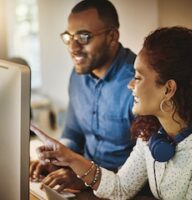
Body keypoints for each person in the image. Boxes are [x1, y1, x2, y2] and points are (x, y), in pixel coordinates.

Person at [31, 26, 192, 200]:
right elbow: (120, 188)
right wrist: (70, 158)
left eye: (138, 77)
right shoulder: (151, 134)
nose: (130, 85)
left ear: (168, 89)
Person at [30, 0, 137, 192]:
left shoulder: (137, 84)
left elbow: (147, 168)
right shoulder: (78, 76)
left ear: (112, 36)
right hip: (81, 180)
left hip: (121, 189)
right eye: (69, 37)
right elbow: (73, 131)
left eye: (83, 36)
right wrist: (57, 159)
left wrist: (85, 174)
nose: (73, 47)